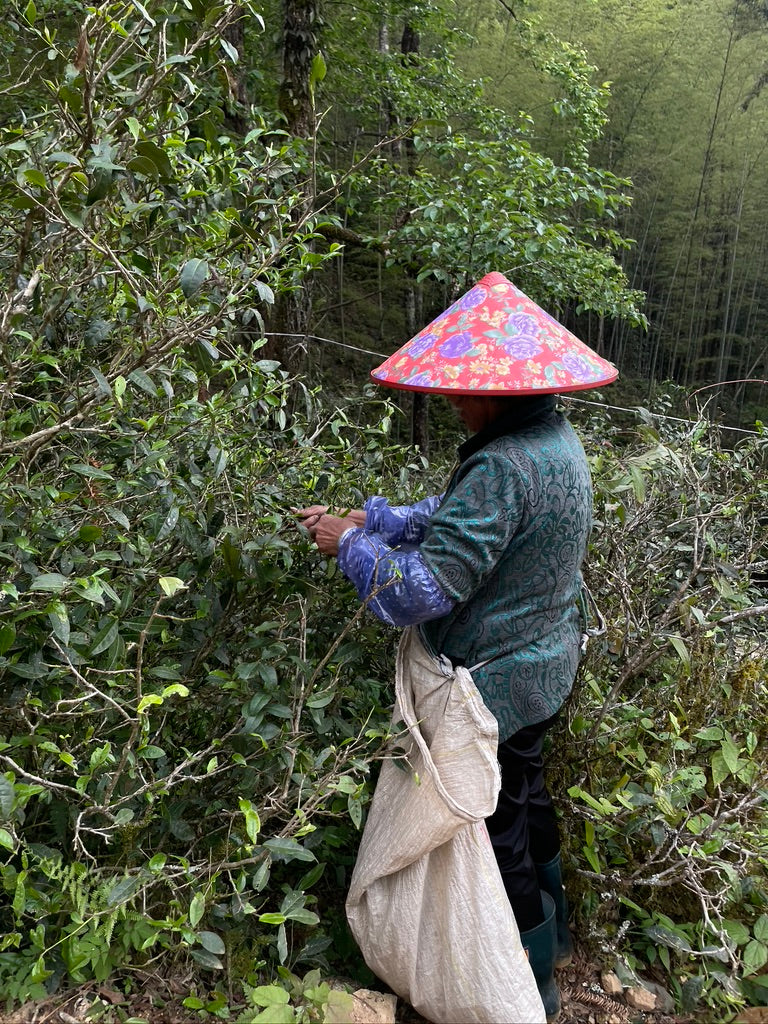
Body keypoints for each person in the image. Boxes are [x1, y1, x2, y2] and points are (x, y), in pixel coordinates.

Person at [298, 272, 617, 1021]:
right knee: (528, 794)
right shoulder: (551, 439)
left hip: (498, 680)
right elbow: (452, 514)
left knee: (493, 820)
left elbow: (418, 593)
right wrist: (373, 517)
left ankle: (519, 982)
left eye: (460, 394)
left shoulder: (502, 464)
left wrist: (348, 544)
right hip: (545, 662)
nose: (452, 404)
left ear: (493, 395)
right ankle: (558, 934)